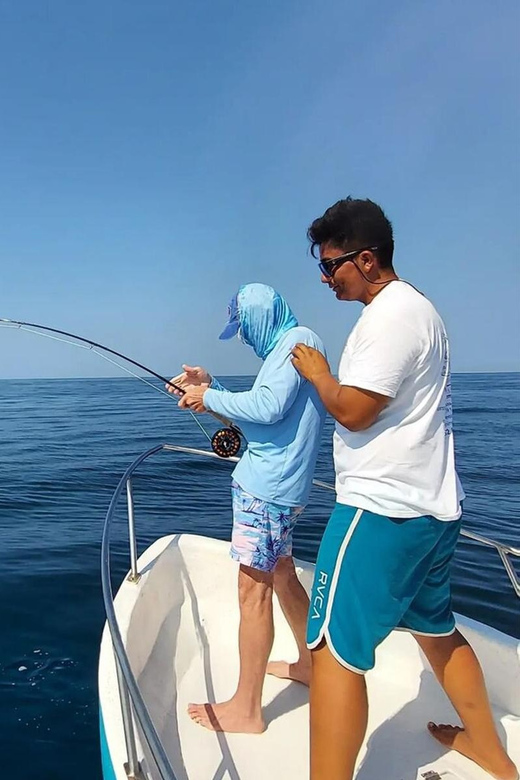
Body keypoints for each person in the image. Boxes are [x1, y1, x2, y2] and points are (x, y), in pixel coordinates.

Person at [291, 198, 518, 780]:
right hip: (434, 511)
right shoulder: (423, 310)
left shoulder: (389, 317)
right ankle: (492, 754)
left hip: (381, 511)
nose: (325, 278)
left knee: (332, 650)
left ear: (366, 260)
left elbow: (356, 411)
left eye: (331, 265)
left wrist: (318, 372)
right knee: (436, 629)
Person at [167, 282, 326, 734]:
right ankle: (310, 666)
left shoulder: (297, 342)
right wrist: (209, 386)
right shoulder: (287, 349)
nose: (243, 337)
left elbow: (269, 406)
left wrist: (208, 398)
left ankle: (247, 709)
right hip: (275, 489)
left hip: (267, 492)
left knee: (252, 592)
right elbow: (262, 412)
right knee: (281, 575)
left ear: (259, 316)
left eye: (243, 327)